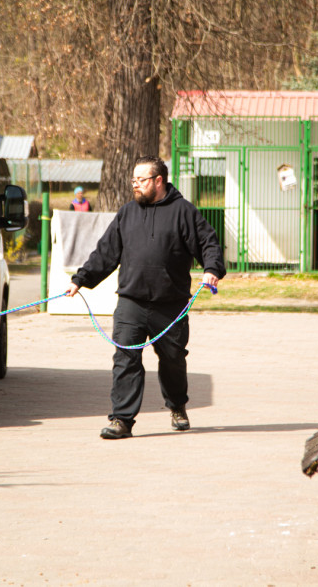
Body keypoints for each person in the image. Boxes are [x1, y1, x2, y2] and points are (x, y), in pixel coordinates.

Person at [66, 156, 225, 439]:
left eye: (141, 180)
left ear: (158, 181)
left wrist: (212, 269)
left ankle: (177, 405)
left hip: (171, 305)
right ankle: (121, 420)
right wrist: (81, 279)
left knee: (173, 360)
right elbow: (106, 252)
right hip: (131, 302)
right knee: (125, 359)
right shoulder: (127, 213)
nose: (135, 185)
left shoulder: (184, 212)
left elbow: (208, 243)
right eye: (133, 180)